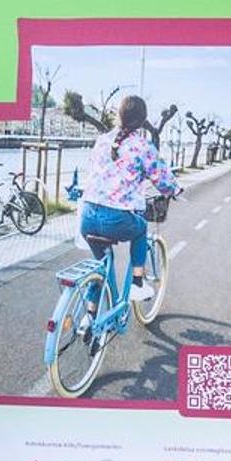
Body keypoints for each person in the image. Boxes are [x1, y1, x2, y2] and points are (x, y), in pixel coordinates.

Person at [79, 97, 178, 305]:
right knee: (141, 229)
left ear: (119, 116)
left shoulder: (102, 140)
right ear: (142, 121)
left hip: (86, 216)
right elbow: (162, 179)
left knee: (101, 264)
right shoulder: (143, 145)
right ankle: (137, 284)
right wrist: (174, 189)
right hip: (116, 219)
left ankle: (90, 317)